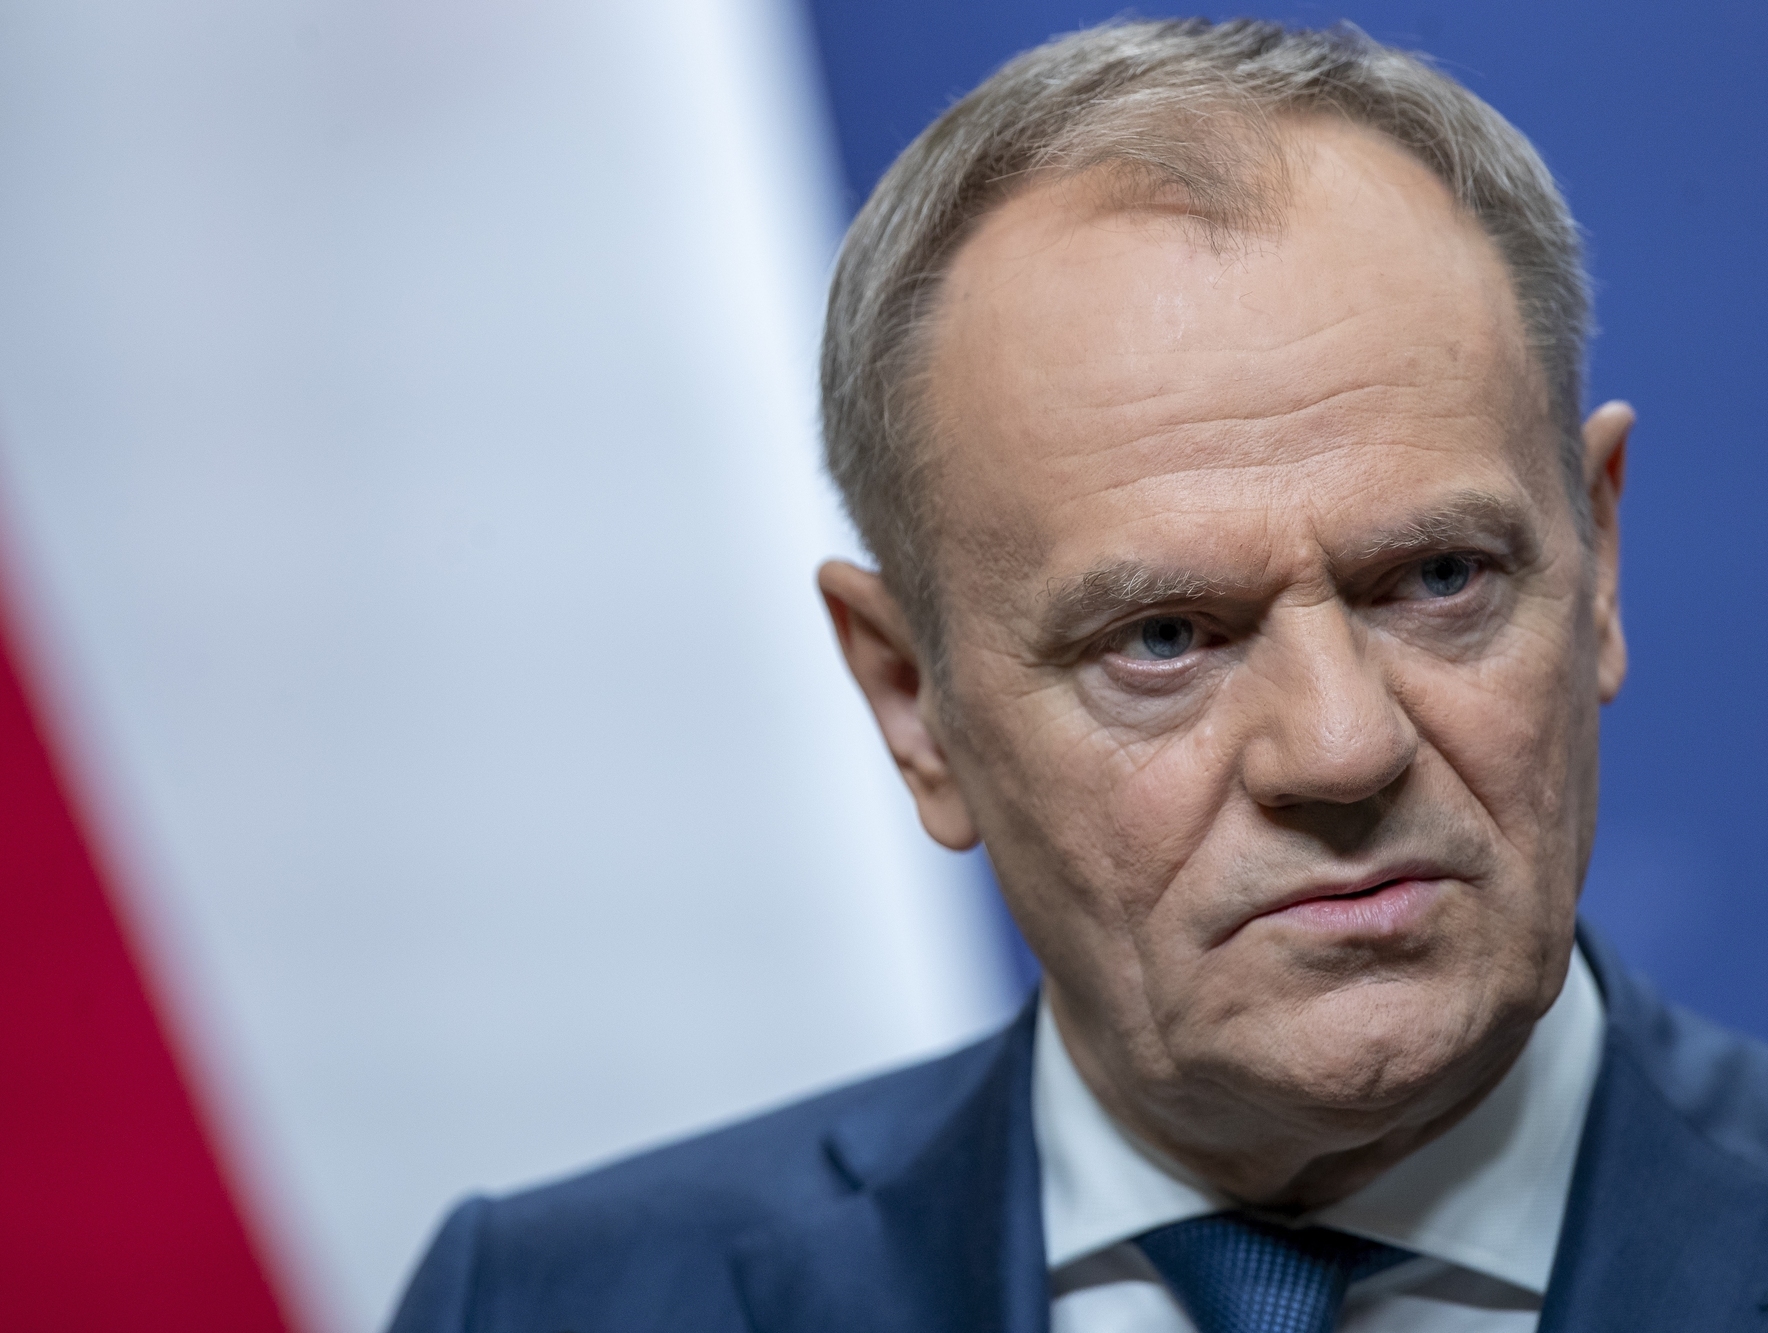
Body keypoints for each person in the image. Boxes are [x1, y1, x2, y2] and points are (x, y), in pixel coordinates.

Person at [389, 18, 1768, 1333]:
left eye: (1439, 578)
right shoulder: (546, 1304)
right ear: (912, 700)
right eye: (1163, 638)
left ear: (1597, 560)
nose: (1343, 746)